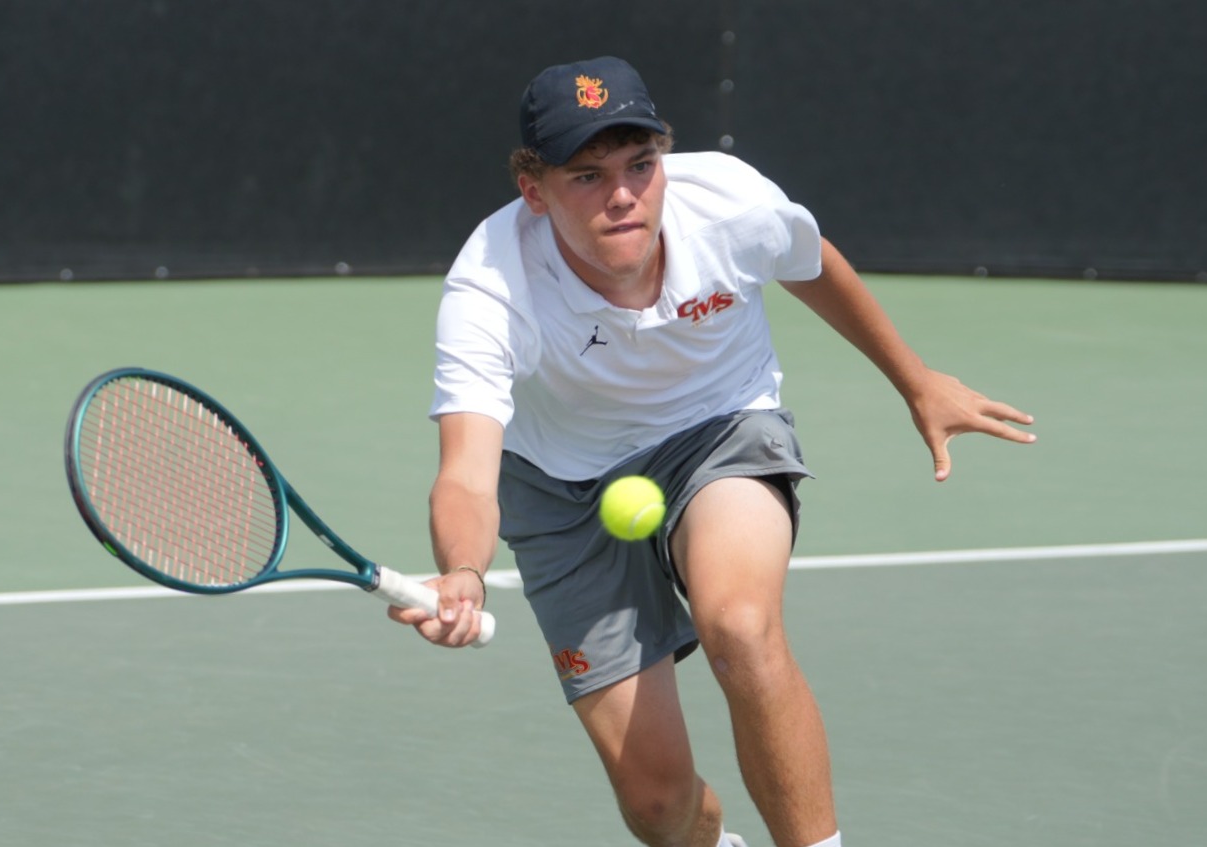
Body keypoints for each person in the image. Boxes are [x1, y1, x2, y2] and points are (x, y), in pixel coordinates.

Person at [389, 56, 1035, 847]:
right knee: (658, 806)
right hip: (561, 488)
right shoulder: (491, 285)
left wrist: (915, 380)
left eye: (640, 164)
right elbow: (466, 470)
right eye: (587, 176)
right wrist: (462, 568)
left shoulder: (728, 203)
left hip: (719, 430)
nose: (623, 194)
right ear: (534, 190)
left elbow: (813, 264)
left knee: (739, 625)